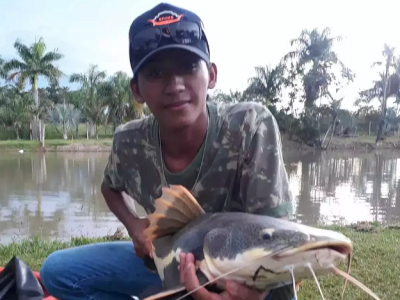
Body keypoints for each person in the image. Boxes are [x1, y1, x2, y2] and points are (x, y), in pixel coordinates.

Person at [39, 2, 295, 300]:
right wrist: (134, 225)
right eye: (156, 72)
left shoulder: (251, 125)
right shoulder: (128, 141)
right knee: (57, 271)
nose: (175, 85)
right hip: (165, 265)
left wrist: (252, 293)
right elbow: (110, 188)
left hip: (241, 277)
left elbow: (277, 238)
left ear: (211, 75)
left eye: (189, 67)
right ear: (136, 89)